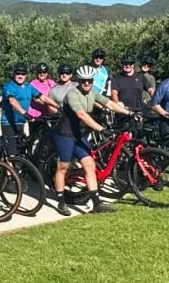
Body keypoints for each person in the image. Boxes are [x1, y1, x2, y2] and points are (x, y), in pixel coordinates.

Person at [51, 66, 132, 216]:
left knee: (90, 165)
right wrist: (101, 129)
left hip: (79, 135)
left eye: (89, 81)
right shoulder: (72, 94)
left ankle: (97, 204)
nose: (87, 83)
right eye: (84, 81)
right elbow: (81, 115)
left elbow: (109, 103)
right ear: (79, 81)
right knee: (63, 167)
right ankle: (61, 202)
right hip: (65, 134)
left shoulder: (92, 92)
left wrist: (129, 113)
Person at [2, 63, 58, 155]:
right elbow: (12, 100)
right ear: (14, 74)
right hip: (8, 122)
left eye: (23, 74)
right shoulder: (9, 86)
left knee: (20, 150)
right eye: (18, 73)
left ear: (26, 75)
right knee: (11, 152)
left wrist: (58, 107)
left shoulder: (28, 86)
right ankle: (7, 165)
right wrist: (24, 113)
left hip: (21, 122)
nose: (20, 76)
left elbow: (42, 98)